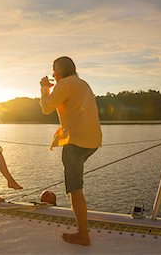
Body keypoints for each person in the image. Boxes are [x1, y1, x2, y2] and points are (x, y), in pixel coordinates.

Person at [39, 57, 102, 246]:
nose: (52, 73)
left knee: (75, 189)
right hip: (92, 141)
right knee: (76, 186)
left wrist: (45, 88)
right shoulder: (82, 83)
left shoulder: (64, 84)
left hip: (75, 143)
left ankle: (83, 235)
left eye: (54, 69)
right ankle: (82, 230)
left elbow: (46, 107)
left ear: (62, 70)